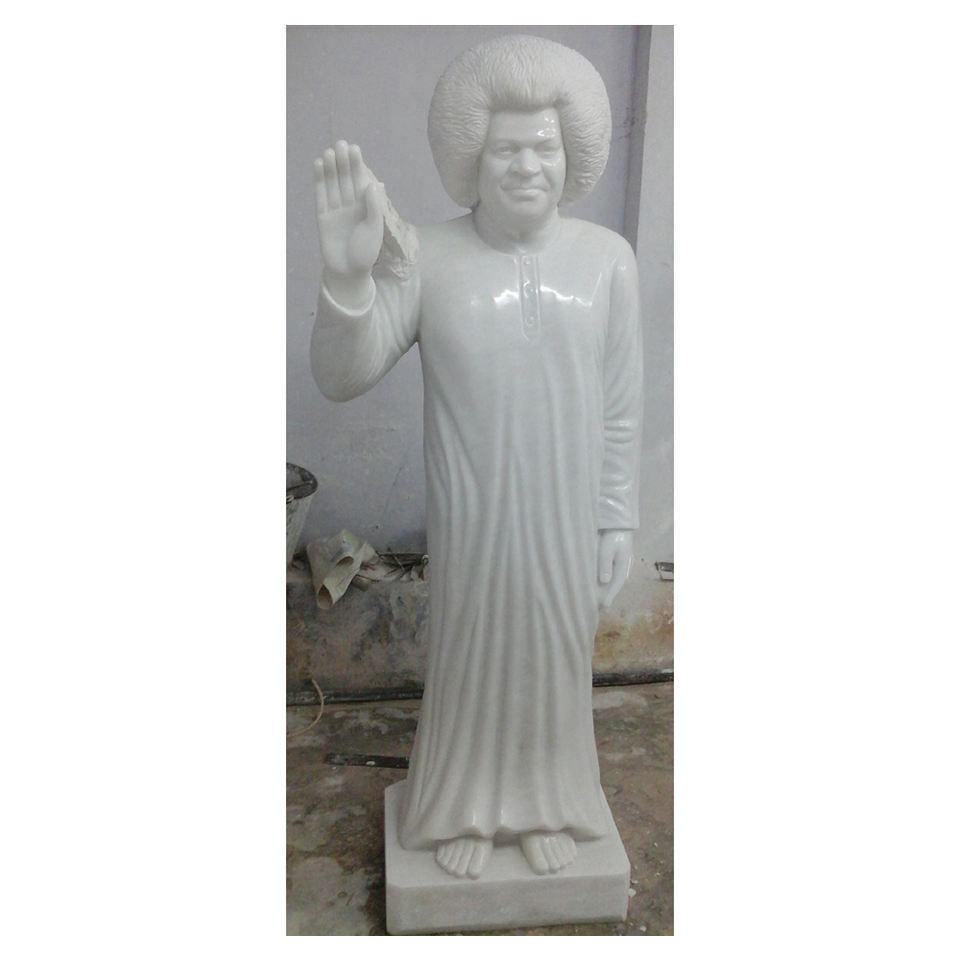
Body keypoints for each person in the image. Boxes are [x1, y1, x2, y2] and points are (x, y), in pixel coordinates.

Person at [311, 34, 641, 881]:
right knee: (474, 659)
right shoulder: (428, 257)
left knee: (554, 660)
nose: (527, 166)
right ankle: (465, 806)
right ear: (472, 158)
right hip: (474, 522)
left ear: (572, 155)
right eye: (506, 149)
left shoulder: (607, 262)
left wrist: (615, 518)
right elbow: (344, 376)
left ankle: (548, 806)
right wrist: (348, 280)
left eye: (544, 148)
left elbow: (619, 405)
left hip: (565, 519)